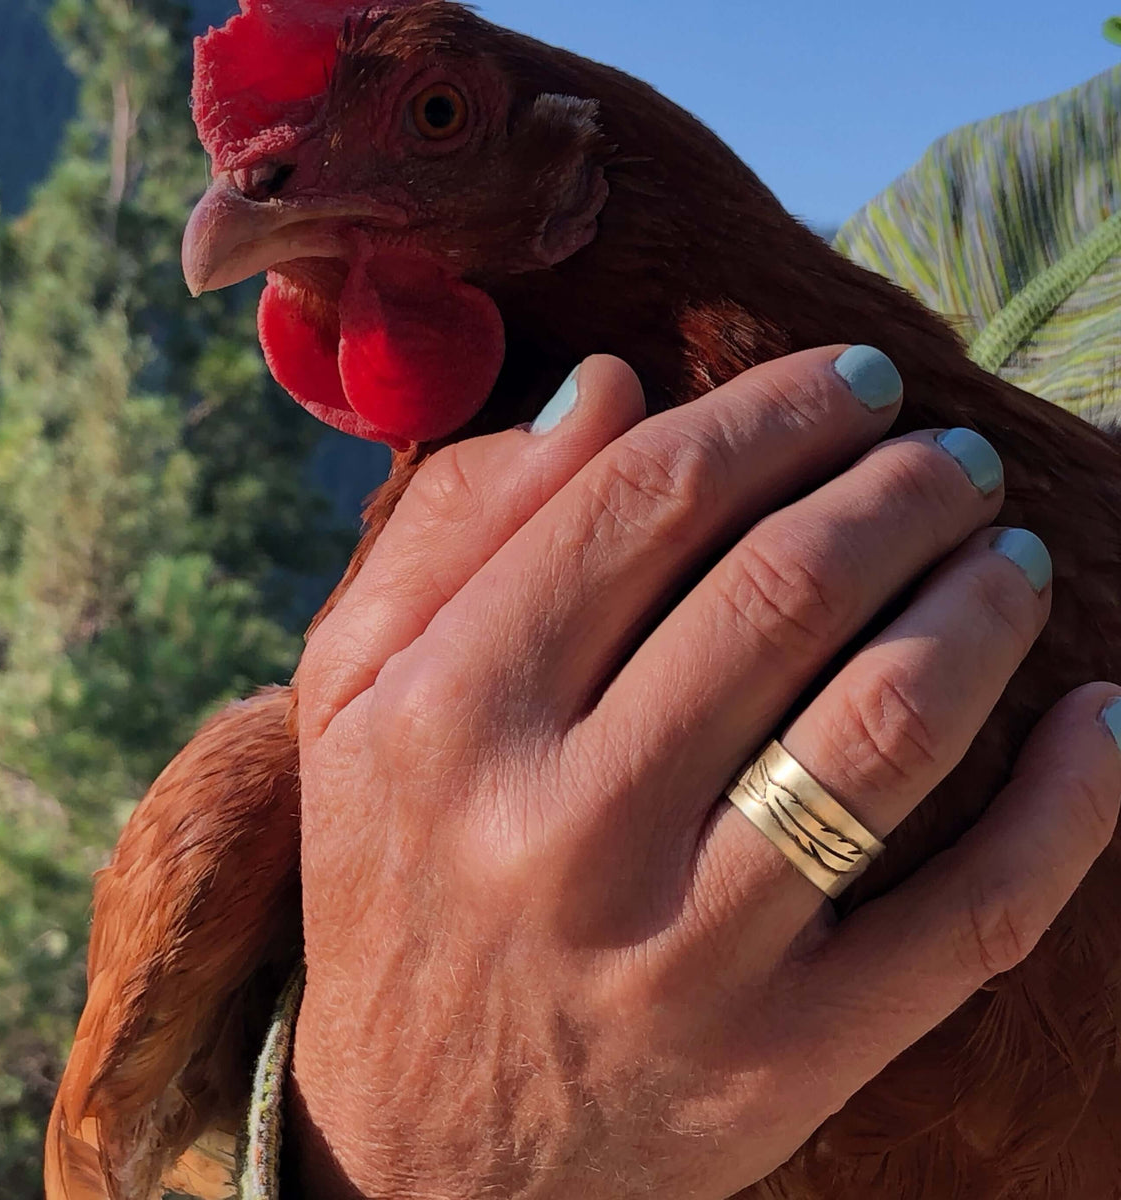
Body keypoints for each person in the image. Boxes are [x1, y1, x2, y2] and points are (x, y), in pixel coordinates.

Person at [240, 48, 1121, 1200]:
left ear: (578, 160)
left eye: (437, 116)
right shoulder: (1007, 218)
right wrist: (393, 1147)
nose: (249, 198)